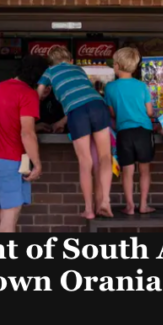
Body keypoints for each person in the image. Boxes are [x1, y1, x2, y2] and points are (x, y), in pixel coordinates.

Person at [37, 46, 113, 219]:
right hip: (98, 105)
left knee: (85, 161)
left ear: (51, 63)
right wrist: (62, 121)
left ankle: (89, 209)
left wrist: (35, 110)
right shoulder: (78, 69)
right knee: (105, 157)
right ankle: (105, 201)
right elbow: (83, 99)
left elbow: (39, 94)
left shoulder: (50, 71)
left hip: (77, 113)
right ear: (70, 60)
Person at [0, 55, 45, 232]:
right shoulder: (27, 93)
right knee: (10, 216)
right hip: (9, 163)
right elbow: (27, 133)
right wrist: (37, 164)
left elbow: (8, 122)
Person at [104, 47, 156, 215]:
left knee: (127, 171)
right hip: (143, 131)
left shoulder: (110, 87)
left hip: (124, 132)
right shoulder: (141, 86)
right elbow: (149, 112)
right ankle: (143, 205)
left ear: (117, 65)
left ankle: (130, 206)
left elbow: (112, 113)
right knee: (144, 170)